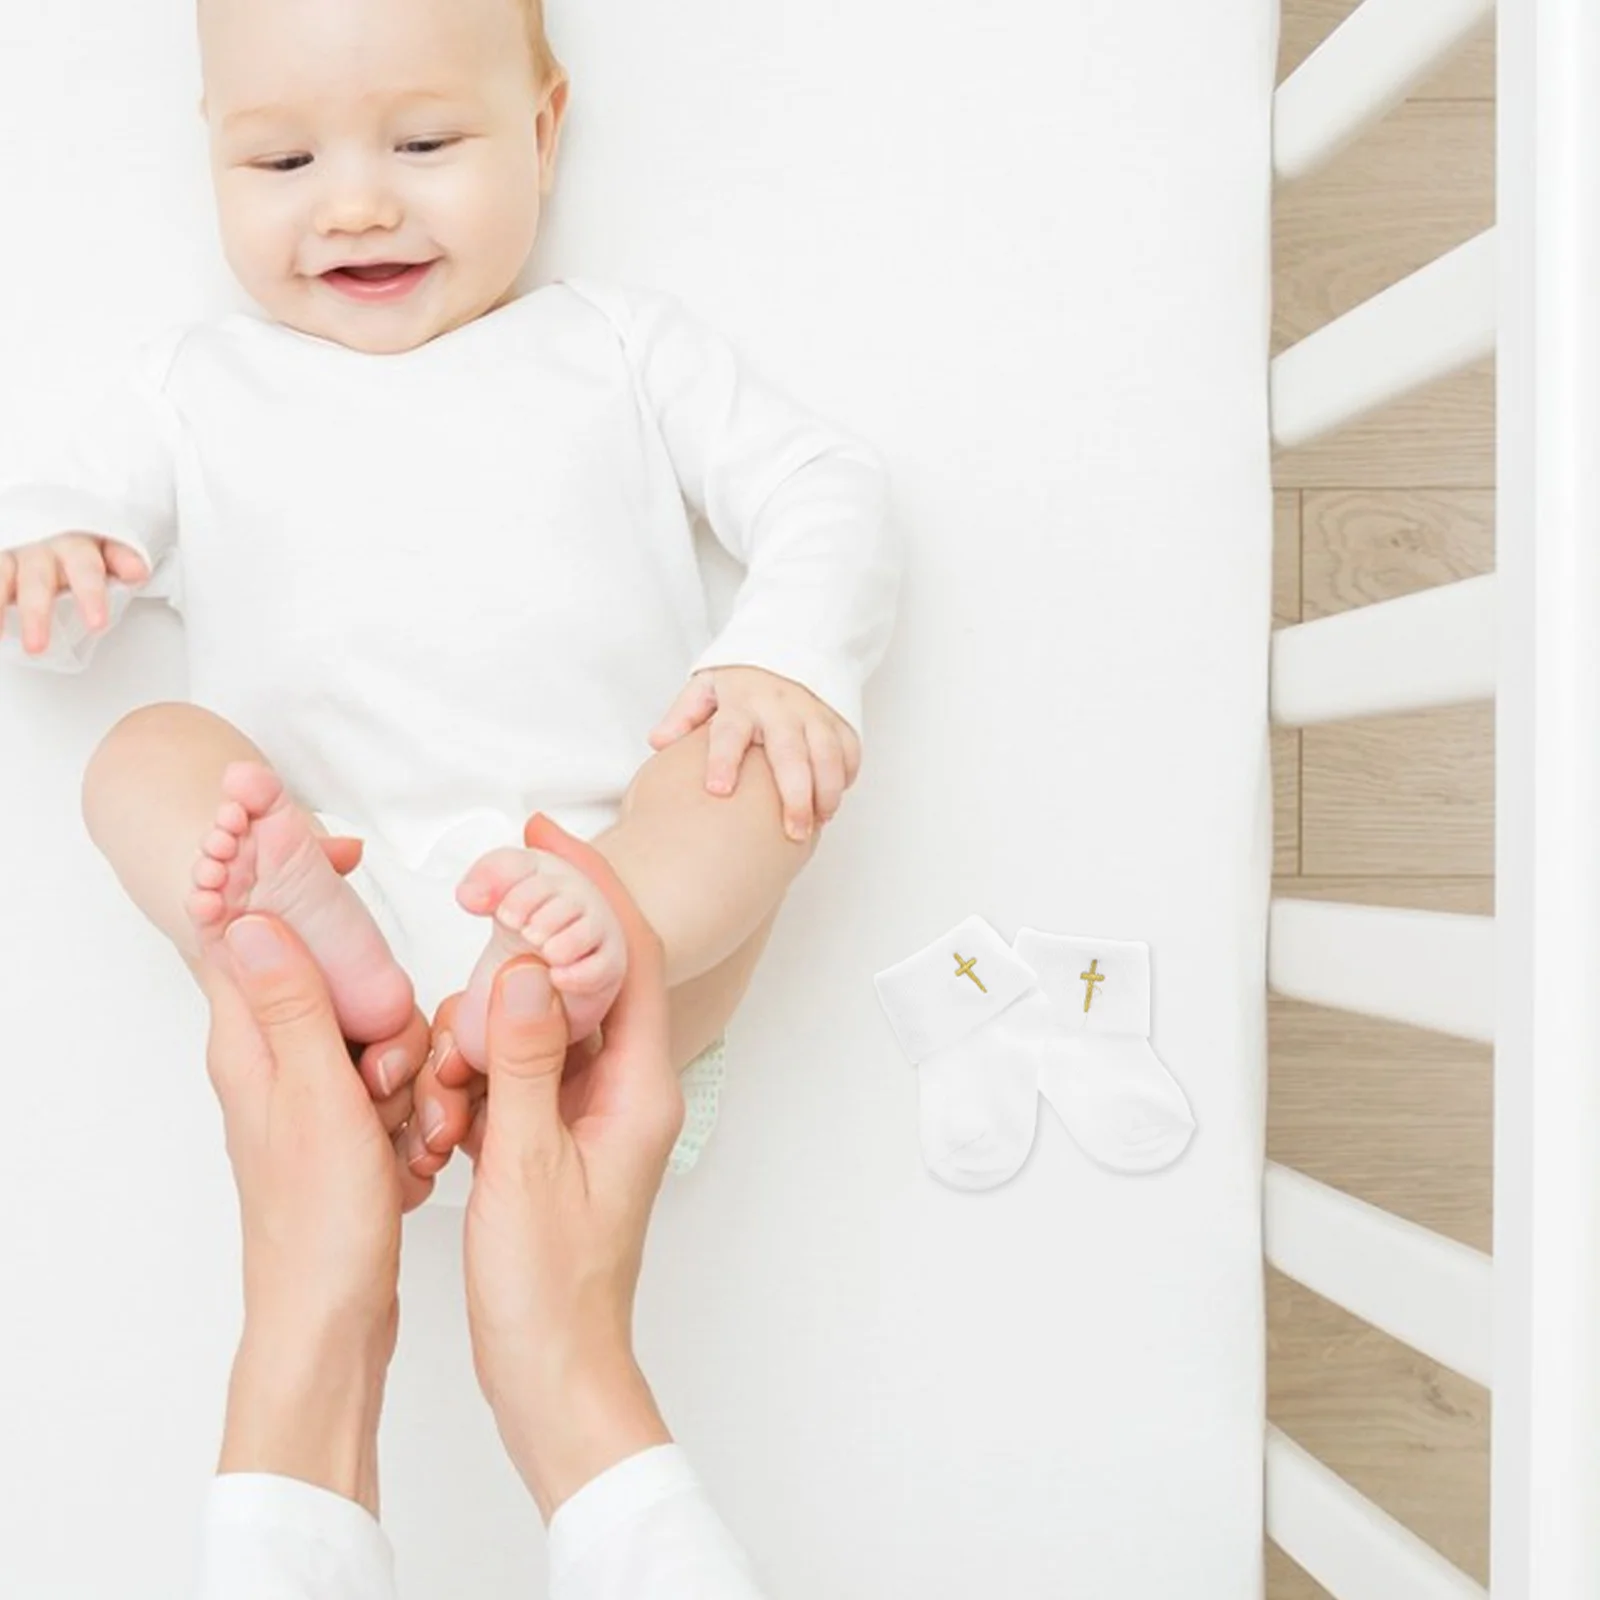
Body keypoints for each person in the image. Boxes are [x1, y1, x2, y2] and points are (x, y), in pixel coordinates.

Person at [0, 0, 899, 1180]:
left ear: (541, 131)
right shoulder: (195, 388)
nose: (357, 204)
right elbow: (57, 600)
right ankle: (320, 949)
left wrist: (783, 653)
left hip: (615, 912)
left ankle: (556, 961)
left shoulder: (614, 347)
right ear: (211, 146)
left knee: (752, 774)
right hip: (326, 886)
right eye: (281, 160)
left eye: (423, 145)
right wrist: (52, 561)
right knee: (143, 751)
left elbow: (820, 480)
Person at [199, 811, 768, 1599]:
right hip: (594, 979)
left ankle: (333, 949)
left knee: (145, 761)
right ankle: (531, 980)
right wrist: (791, 682)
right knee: (748, 799)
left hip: (319, 904)